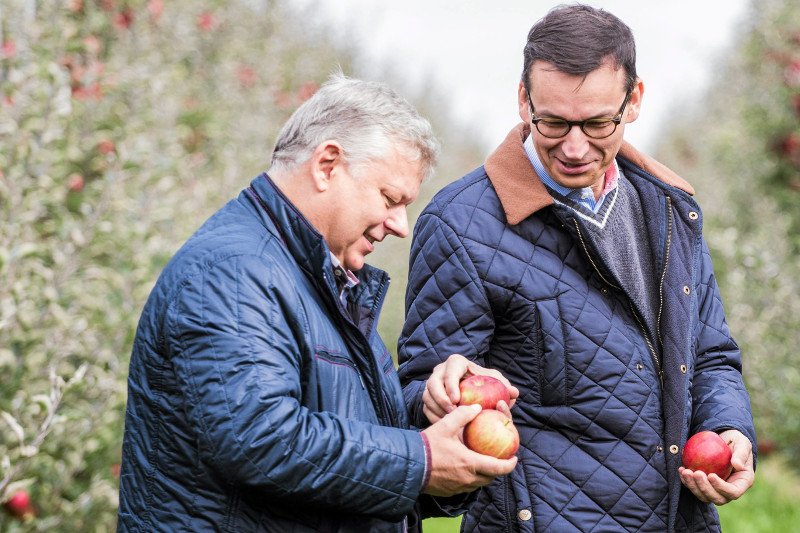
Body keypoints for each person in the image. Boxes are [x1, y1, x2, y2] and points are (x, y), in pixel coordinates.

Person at [398, 5, 756, 532]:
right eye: (553, 122)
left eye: (596, 123)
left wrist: (729, 430)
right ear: (524, 100)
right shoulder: (461, 225)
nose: (573, 146)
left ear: (634, 100)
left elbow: (711, 354)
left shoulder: (670, 210)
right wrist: (437, 396)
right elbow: (415, 390)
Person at [116, 73, 518, 533]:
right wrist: (421, 461)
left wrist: (438, 417)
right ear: (327, 165)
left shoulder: (322, 282)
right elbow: (260, 440)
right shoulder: (234, 272)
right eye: (390, 198)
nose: (400, 225)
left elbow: (346, 447)